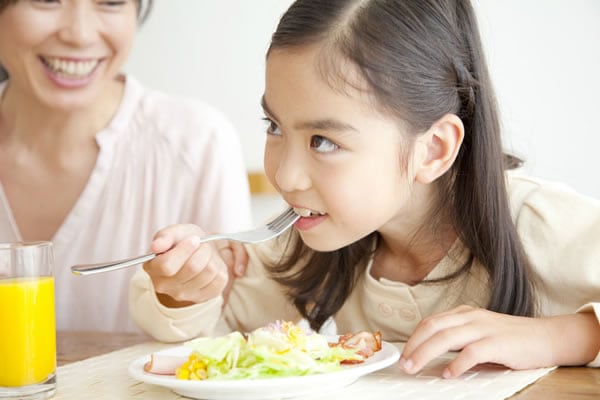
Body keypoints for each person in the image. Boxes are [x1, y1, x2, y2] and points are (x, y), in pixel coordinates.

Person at [129, 0, 600, 378]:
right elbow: (198, 340)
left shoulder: (538, 222)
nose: (286, 176)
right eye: (273, 125)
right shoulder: (304, 248)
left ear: (433, 150)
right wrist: (188, 289)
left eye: (323, 141)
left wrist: (563, 337)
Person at [0, 0, 252, 332]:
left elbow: (235, 337)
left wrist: (184, 301)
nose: (80, 34)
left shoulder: (197, 144)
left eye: (111, 1)